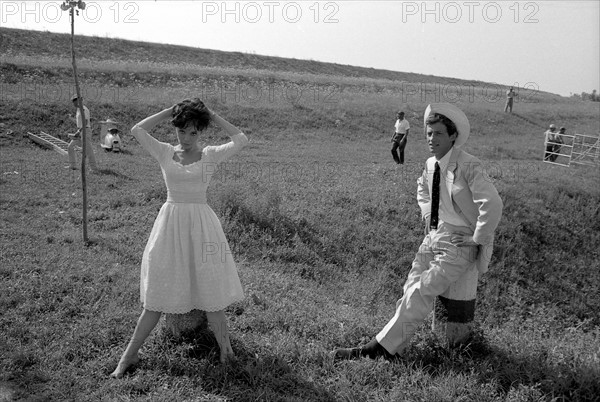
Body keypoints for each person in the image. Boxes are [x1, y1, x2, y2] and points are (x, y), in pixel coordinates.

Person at [333, 103, 503, 361]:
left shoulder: (469, 165)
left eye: (438, 134)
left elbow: (492, 204)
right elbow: (423, 190)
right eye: (429, 133)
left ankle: (377, 349)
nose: (431, 139)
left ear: (453, 136)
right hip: (435, 234)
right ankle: (395, 347)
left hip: (459, 243)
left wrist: (476, 238)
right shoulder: (430, 164)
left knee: (422, 289)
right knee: (411, 283)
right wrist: (428, 215)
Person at [110, 98, 249, 378]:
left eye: (193, 132)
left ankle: (226, 351)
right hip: (170, 227)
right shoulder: (164, 152)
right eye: (181, 131)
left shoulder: (210, 155)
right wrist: (169, 111)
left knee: (211, 295)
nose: (185, 138)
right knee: (157, 296)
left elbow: (241, 139)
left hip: (203, 227)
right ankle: (129, 355)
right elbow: (137, 129)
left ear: (202, 132)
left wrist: (212, 113)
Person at [67, 95, 98, 171]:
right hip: (81, 131)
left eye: (75, 101)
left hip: (85, 131)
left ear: (80, 101)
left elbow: (86, 122)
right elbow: (80, 123)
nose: (74, 103)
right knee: (70, 147)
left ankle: (94, 168)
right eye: (73, 102)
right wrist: (71, 118)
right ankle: (73, 165)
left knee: (89, 150)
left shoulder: (83, 109)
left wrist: (78, 131)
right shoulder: (78, 109)